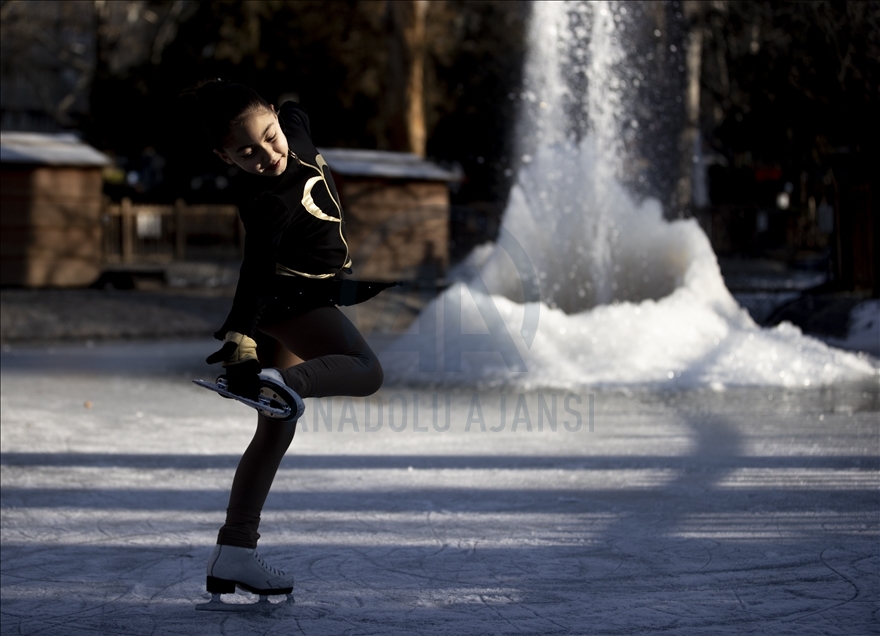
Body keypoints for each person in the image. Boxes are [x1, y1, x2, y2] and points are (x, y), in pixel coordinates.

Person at [180, 79, 396, 599]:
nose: (267, 155)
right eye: (246, 153)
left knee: (277, 426)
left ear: (278, 118)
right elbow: (255, 271)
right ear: (224, 157)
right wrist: (240, 335)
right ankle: (280, 381)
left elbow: (297, 107)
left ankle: (235, 552)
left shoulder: (293, 128)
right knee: (366, 370)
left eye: (271, 136)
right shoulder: (266, 201)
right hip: (290, 299)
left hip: (306, 294)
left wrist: (282, 104)